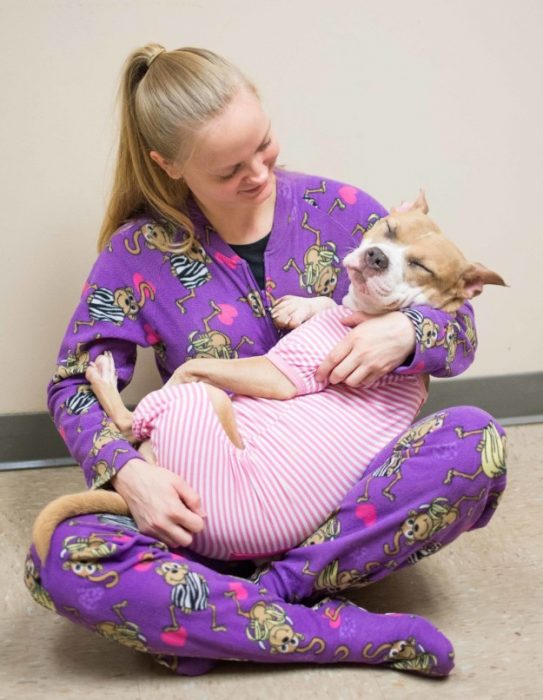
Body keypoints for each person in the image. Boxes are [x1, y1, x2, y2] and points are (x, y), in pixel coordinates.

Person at [25, 44, 507, 678]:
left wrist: (409, 334)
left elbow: (459, 322)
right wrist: (129, 475)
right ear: (167, 164)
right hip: (205, 513)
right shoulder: (137, 251)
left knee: (477, 443)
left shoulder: (342, 212)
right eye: (229, 169)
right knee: (60, 557)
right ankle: (333, 629)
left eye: (265, 146)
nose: (257, 173)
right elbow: (73, 384)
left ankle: (242, 609)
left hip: (341, 507)